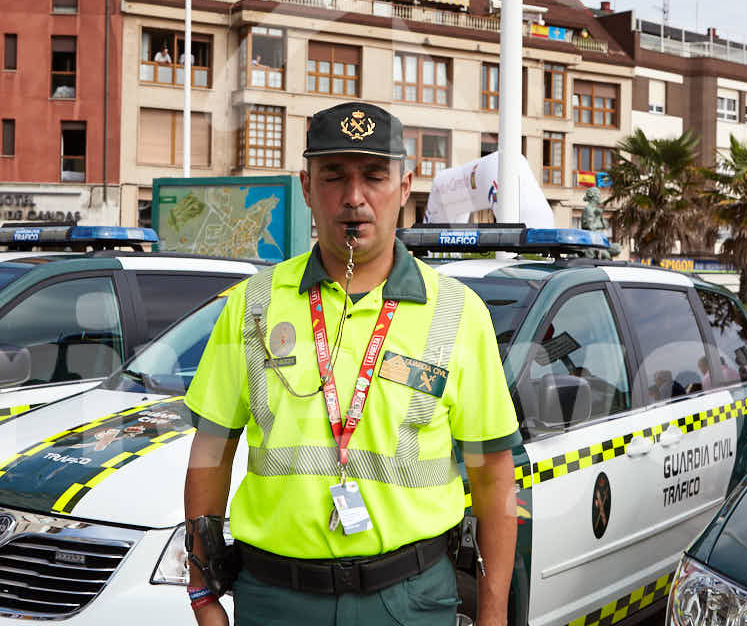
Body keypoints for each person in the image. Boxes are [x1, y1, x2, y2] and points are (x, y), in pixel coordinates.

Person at [183, 102, 520, 626]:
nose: (354, 197)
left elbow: (493, 476)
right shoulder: (252, 306)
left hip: (411, 601)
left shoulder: (459, 313)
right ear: (306, 187)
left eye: (374, 176)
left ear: (404, 188)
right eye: (334, 176)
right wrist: (202, 595)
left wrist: (494, 614)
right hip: (276, 602)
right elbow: (210, 452)